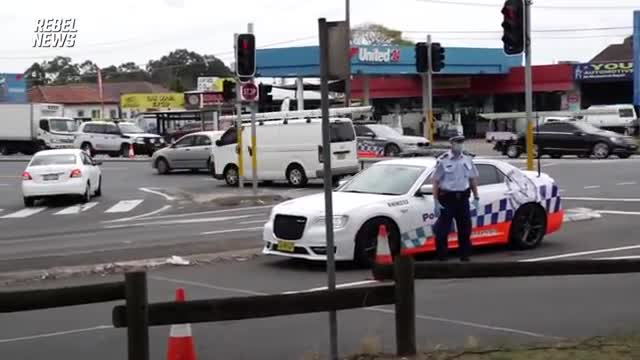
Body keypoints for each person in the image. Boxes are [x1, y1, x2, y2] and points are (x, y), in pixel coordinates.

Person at [431, 135, 480, 262]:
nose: (460, 144)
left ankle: (465, 257)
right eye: (457, 142)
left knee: (465, 230)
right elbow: (436, 182)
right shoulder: (443, 160)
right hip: (447, 199)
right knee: (442, 231)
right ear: (451, 143)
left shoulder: (468, 159)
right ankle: (442, 258)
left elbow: (472, 178)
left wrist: (476, 196)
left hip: (463, 199)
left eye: (462, 142)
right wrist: (435, 201)